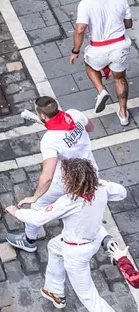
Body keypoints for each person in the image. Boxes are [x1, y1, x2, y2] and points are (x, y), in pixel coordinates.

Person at [5, 158, 125, 311]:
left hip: (75, 251)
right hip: (94, 236)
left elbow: (37, 218)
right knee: (54, 246)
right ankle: (54, 290)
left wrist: (16, 212)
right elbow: (122, 192)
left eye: (64, 177)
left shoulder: (68, 202)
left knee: (89, 297)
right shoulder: (101, 187)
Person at [6, 96, 98, 252]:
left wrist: (34, 197)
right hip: (90, 171)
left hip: (64, 180)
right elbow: (90, 128)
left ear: (42, 115)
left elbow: (47, 175)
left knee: (37, 207)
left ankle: (29, 241)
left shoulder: (49, 141)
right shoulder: (74, 114)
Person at [70, 0, 133, 126]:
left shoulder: (85, 4)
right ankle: (123, 113)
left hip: (98, 49)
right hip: (119, 47)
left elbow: (80, 29)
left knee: (90, 66)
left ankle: (101, 90)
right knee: (120, 78)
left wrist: (75, 51)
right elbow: (128, 24)